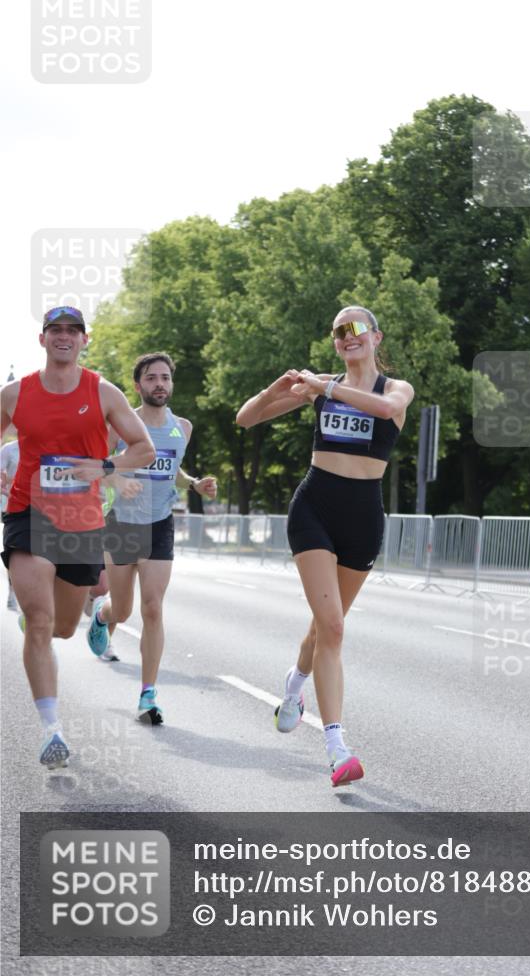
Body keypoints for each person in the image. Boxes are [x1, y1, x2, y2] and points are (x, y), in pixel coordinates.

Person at [236, 306, 414, 787]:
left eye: (357, 328)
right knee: (333, 628)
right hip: (315, 507)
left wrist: (325, 387)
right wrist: (277, 391)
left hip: (363, 517)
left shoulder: (393, 389)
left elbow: (384, 411)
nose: (348, 335)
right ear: (335, 343)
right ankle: (337, 749)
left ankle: (293, 686)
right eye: (339, 330)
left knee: (324, 629)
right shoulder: (319, 388)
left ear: (375, 336)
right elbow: (245, 418)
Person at [0, 306, 155, 769]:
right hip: (28, 512)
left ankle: (41, 626)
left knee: (64, 627)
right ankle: (52, 730)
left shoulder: (102, 392)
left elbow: (144, 448)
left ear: (84, 340)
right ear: (42, 339)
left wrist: (106, 466)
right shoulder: (14, 394)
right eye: (55, 330)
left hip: (82, 521)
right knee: (42, 620)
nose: (63, 337)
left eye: (72, 331)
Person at [86, 352, 217, 725]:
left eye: (165, 378)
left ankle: (148, 693)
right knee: (123, 610)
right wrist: (116, 479)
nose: (160, 384)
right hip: (123, 524)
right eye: (151, 378)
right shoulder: (120, 426)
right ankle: (103, 614)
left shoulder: (183, 428)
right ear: (138, 385)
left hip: (160, 523)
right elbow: (98, 466)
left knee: (154, 608)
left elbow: (170, 468)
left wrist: (193, 482)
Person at [1, 432, 20, 609]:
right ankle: (13, 590)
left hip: (42, 507)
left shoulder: (49, 447)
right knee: (14, 551)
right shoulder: (9, 449)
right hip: (12, 507)